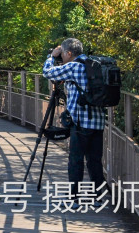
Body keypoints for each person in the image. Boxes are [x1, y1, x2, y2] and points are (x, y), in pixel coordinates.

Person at [42, 37, 106, 196]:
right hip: (98, 122)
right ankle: (98, 197)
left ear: (69, 53)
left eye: (63, 53)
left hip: (80, 122)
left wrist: (51, 57)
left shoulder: (73, 67)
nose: (62, 56)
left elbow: (48, 73)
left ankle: (74, 198)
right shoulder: (94, 65)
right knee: (94, 162)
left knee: (76, 161)